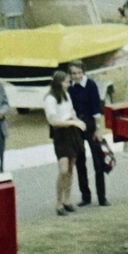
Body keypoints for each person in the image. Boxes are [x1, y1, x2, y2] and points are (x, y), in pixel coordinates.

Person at [67, 62, 110, 207]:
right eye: (74, 74)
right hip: (76, 126)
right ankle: (85, 196)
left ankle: (102, 197)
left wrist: (98, 129)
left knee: (98, 162)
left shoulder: (91, 85)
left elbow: (96, 108)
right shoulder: (70, 87)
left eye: (79, 73)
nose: (77, 76)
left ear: (83, 72)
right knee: (80, 161)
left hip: (91, 124)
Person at [43, 71, 86, 215]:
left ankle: (67, 200)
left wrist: (77, 120)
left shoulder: (66, 95)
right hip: (61, 134)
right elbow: (54, 121)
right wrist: (72, 122)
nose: (69, 84)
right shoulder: (50, 98)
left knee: (71, 167)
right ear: (59, 82)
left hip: (72, 132)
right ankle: (59, 202)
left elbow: (71, 110)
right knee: (63, 169)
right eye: (67, 81)